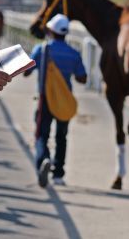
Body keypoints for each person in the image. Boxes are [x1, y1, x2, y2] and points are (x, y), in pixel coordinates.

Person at [24, 14, 87, 187]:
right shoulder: (74, 53)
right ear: (66, 33)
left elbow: (26, 71)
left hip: (44, 100)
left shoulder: (41, 49)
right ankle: (58, 174)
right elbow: (83, 78)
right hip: (64, 101)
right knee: (62, 137)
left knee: (41, 135)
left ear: (50, 30)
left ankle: (44, 159)